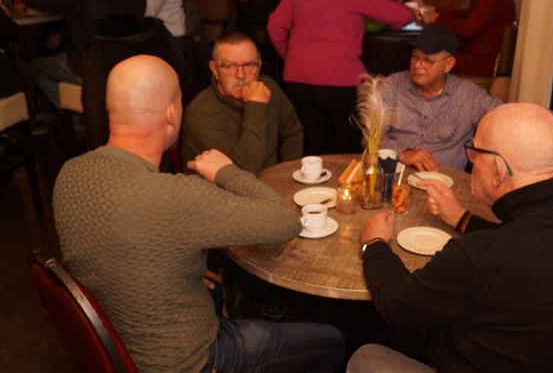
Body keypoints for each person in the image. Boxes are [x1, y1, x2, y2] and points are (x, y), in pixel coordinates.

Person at [53, 54, 345, 373]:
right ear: (172, 113)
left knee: (216, 290)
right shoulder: (176, 195)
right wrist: (226, 171)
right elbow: (285, 221)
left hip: (119, 347)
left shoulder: (69, 174)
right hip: (190, 362)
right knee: (332, 340)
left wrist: (178, 267)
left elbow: (111, 244)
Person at [349, 103, 553, 373]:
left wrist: (374, 244)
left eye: (475, 151)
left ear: (499, 170)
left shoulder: (476, 257)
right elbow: (523, 242)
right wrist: (462, 218)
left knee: (366, 356)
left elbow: (396, 305)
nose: (471, 159)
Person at [268, 0, 415, 155]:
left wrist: (292, 57)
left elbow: (275, 27)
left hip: (298, 80)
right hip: (340, 82)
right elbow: (399, 16)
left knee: (313, 147)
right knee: (347, 148)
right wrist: (415, 11)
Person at [380, 23, 553, 172]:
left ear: (448, 64)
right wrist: (404, 153)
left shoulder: (467, 95)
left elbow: (512, 115)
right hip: (391, 176)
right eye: (414, 57)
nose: (417, 65)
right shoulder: (392, 85)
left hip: (443, 185)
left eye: (427, 60)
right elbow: (371, 137)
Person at [182, 31, 303, 175]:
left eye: (249, 65)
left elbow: (292, 133)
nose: (240, 75)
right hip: (220, 188)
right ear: (214, 70)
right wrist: (256, 107)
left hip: (272, 182)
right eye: (229, 66)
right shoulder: (201, 112)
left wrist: (286, 174)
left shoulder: (268, 87)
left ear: (259, 66)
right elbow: (240, 174)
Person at [423, 0, 515, 77]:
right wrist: (436, 10)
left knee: (430, 58)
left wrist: (438, 18)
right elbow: (466, 14)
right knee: (429, 52)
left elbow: (467, 29)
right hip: (478, 56)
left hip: (484, 62)